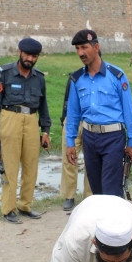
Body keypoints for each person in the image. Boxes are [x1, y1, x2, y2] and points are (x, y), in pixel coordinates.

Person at [64, 29, 132, 197]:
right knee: (96, 190)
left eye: (84, 47)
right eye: (77, 49)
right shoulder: (77, 79)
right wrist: (70, 142)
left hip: (113, 138)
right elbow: (74, 113)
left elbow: (128, 111)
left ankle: (117, 223)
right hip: (89, 137)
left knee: (111, 189)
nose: (80, 53)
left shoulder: (117, 76)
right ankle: (100, 223)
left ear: (96, 47)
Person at [0, 37, 51, 224]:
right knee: (10, 166)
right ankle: (8, 209)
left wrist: (45, 130)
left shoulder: (38, 77)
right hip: (9, 118)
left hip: (31, 120)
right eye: (27, 54)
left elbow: (44, 105)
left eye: (34, 56)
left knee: (31, 165)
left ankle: (25, 205)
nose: (30, 59)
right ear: (20, 52)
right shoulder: (4, 73)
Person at [59, 65, 91, 213]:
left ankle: (89, 197)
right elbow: (67, 100)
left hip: (91, 122)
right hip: (72, 121)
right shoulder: (75, 77)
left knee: (91, 161)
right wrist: (63, 119)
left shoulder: (103, 78)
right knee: (69, 158)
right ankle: (69, 196)